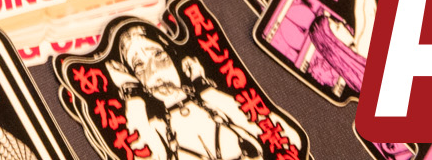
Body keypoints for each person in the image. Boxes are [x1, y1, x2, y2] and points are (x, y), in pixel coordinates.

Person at [109, 23, 296, 160]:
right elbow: (142, 152)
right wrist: (131, 95)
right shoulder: (156, 129)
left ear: (174, 57)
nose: (154, 72)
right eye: (139, 66)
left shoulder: (214, 105)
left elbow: (288, 138)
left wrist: (203, 86)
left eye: (158, 55)